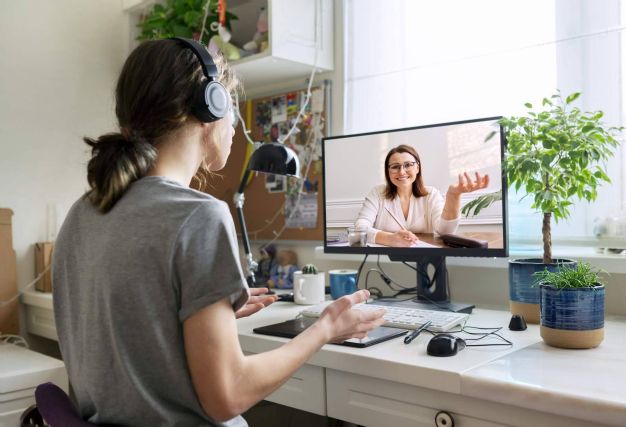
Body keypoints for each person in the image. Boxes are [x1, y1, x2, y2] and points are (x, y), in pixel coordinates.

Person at [52, 38, 385, 427]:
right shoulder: (199, 216)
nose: (234, 129)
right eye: (234, 112)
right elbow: (229, 395)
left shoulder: (83, 212)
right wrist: (325, 328)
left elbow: (127, 331)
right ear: (211, 106)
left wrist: (196, 314)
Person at [355, 144, 489, 247]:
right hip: (383, 261)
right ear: (388, 171)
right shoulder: (377, 193)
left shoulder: (431, 194)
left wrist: (453, 196)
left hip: (425, 260)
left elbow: (445, 232)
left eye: (408, 165)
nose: (402, 172)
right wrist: (389, 239)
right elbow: (359, 228)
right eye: (395, 167)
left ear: (417, 168)